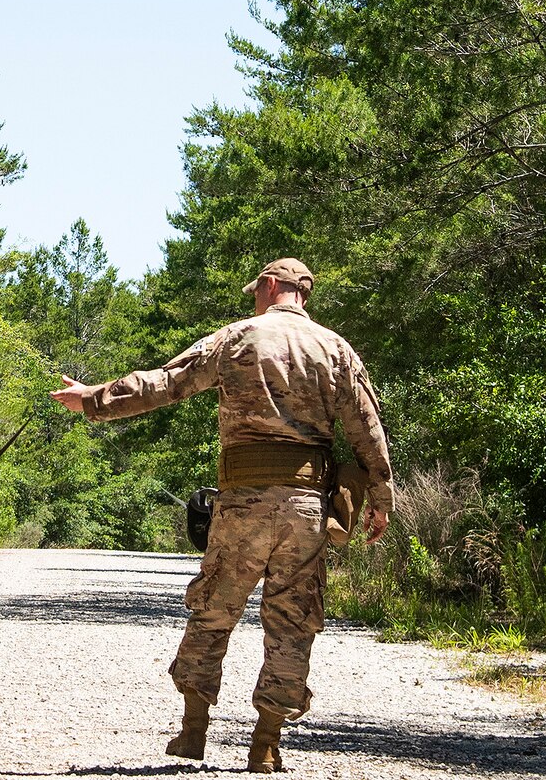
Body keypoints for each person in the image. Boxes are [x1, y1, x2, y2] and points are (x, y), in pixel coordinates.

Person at [51, 257, 394, 773]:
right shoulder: (336, 350)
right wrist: (383, 497)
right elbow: (367, 426)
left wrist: (92, 400)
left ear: (272, 286)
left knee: (214, 609)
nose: (254, 297)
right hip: (306, 506)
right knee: (293, 622)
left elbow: (165, 382)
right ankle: (266, 744)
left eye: (256, 288)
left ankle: (192, 734)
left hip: (243, 501)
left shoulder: (237, 338)